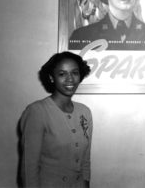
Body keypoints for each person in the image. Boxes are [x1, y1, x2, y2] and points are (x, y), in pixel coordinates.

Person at [20, 52, 92, 188]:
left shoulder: (85, 112)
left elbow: (85, 161)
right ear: (52, 78)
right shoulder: (37, 111)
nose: (70, 79)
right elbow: (28, 167)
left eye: (75, 73)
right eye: (62, 74)